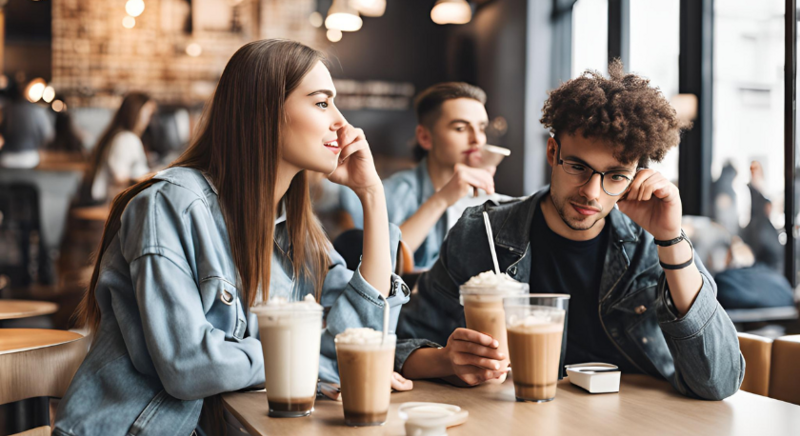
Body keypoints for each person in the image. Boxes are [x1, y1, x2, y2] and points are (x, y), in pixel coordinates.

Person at [54, 39, 410, 436]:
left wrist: (372, 197)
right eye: (322, 103)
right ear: (265, 111)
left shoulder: (294, 228)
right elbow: (188, 367)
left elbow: (362, 340)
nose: (343, 124)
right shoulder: (170, 204)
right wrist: (308, 359)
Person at [395, 61, 745, 400]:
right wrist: (445, 360)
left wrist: (671, 238)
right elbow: (395, 344)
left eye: (616, 175)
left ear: (634, 176)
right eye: (578, 166)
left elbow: (720, 380)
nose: (592, 192)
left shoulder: (651, 245)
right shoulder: (483, 232)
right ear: (552, 151)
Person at [342, 82, 508, 269]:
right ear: (425, 137)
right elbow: (381, 265)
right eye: (461, 128)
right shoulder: (392, 193)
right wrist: (442, 199)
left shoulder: (488, 199)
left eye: (482, 128)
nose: (477, 139)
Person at [78, 92, 155, 204]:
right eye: (148, 114)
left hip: (109, 202)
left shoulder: (120, 136)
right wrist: (150, 178)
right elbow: (119, 178)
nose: (149, 121)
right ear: (137, 113)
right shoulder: (125, 139)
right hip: (109, 204)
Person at [0, 80, 54, 168]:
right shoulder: (37, 110)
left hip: (6, 158)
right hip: (30, 158)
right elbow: (48, 135)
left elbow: (2, 130)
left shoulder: (6, 110)